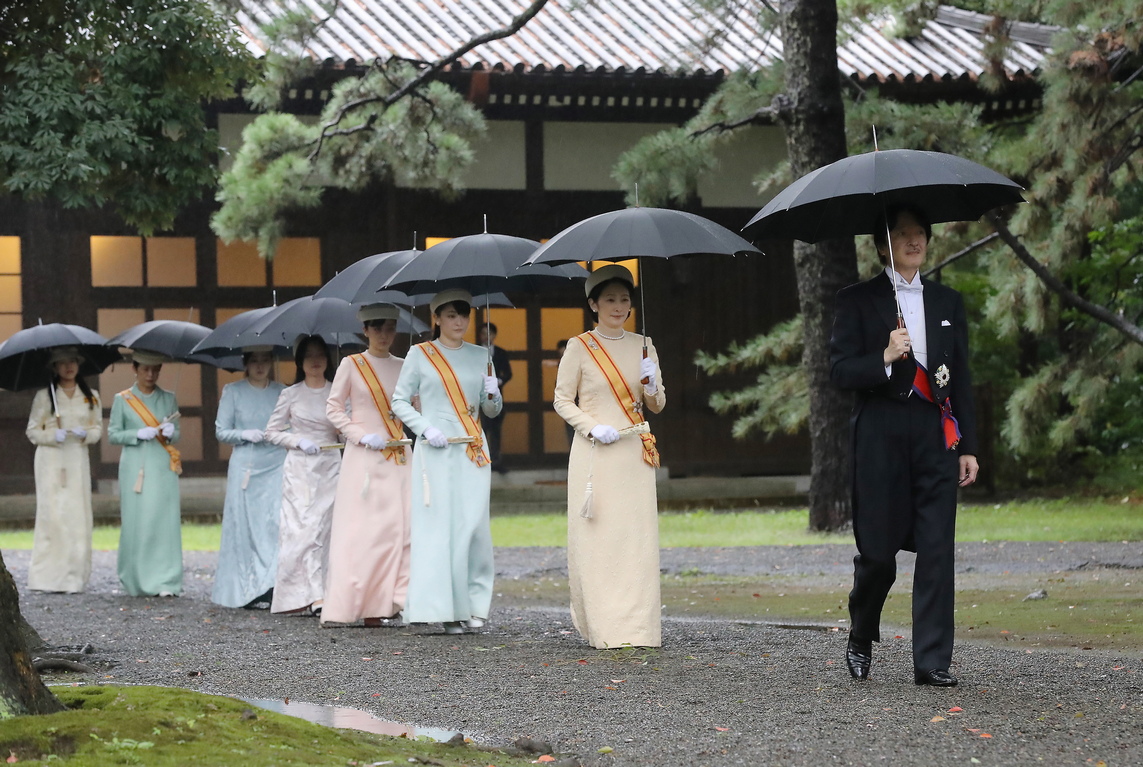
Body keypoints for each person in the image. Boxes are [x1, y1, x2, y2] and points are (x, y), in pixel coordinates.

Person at [829, 204, 979, 687]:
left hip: (936, 434)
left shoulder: (948, 301)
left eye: (920, 233)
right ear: (881, 244)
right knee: (877, 552)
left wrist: (968, 446)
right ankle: (861, 631)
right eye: (902, 233)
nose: (914, 240)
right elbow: (838, 372)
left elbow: (963, 380)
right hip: (879, 434)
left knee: (937, 547)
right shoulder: (855, 301)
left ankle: (932, 660)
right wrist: (885, 357)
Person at [553, 264, 666, 649]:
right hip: (597, 453)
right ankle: (605, 627)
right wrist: (589, 426)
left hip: (634, 453)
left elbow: (657, 404)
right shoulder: (580, 347)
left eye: (624, 299)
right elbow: (562, 399)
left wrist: (651, 384)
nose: (619, 306)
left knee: (635, 539)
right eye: (610, 300)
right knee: (601, 538)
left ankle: (639, 629)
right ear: (593, 304)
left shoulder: (644, 344)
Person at [391, 288, 502, 635]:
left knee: (473, 526)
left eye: (464, 315)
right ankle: (444, 609)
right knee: (438, 528)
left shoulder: (481, 354)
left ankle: (473, 604)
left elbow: (490, 410)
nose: (459, 322)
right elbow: (399, 401)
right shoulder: (420, 353)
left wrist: (494, 394)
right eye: (451, 315)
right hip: (436, 451)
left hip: (472, 448)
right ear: (436, 317)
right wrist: (425, 428)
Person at [323, 305, 412, 627]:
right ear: (365, 330)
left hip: (399, 455)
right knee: (363, 531)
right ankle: (359, 601)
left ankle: (391, 602)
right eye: (377, 328)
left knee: (400, 528)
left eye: (389, 327)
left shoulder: (405, 365)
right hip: (364, 457)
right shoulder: (352, 364)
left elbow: (417, 404)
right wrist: (360, 435)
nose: (384, 334)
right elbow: (333, 408)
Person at [264, 335, 342, 616]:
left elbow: (346, 425)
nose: (315, 360)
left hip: (331, 465)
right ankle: (309, 594)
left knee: (327, 528)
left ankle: (327, 591)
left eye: (320, 354)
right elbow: (271, 432)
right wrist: (297, 440)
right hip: (300, 469)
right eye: (309, 355)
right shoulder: (291, 394)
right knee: (304, 529)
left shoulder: (336, 391)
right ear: (300, 361)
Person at [211, 347, 287, 609]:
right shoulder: (233, 391)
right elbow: (221, 430)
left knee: (273, 524)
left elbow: (291, 422)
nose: (259, 366)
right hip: (246, 466)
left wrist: (281, 431)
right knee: (245, 526)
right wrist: (244, 434)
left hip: (276, 463)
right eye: (254, 361)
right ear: (245, 363)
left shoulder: (281, 391)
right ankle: (246, 588)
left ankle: (271, 585)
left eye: (264, 360)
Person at [24, 346, 103, 593]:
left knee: (77, 514)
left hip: (76, 458)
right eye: (63, 363)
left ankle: (73, 577)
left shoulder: (91, 396)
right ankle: (47, 577)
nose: (69, 367)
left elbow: (97, 429)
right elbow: (32, 431)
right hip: (50, 460)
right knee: (52, 514)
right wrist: (51, 435)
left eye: (73, 362)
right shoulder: (44, 397)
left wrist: (84, 435)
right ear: (55, 368)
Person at [107, 350, 183, 597]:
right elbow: (113, 434)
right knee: (138, 520)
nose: (150, 375)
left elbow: (177, 432)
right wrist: (136, 434)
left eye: (155, 369)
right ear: (135, 369)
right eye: (145, 369)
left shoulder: (168, 398)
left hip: (162, 464)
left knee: (164, 520)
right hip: (135, 466)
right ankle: (135, 578)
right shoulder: (123, 399)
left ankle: (166, 580)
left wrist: (171, 430)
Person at [476, 322, 512, 473]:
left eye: (490, 333)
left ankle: (496, 461)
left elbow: (508, 373)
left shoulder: (501, 352)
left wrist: (499, 381)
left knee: (496, 431)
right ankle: (480, 459)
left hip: (496, 396)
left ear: (495, 335)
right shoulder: (474, 352)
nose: (486, 336)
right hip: (478, 397)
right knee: (481, 430)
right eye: (484, 333)